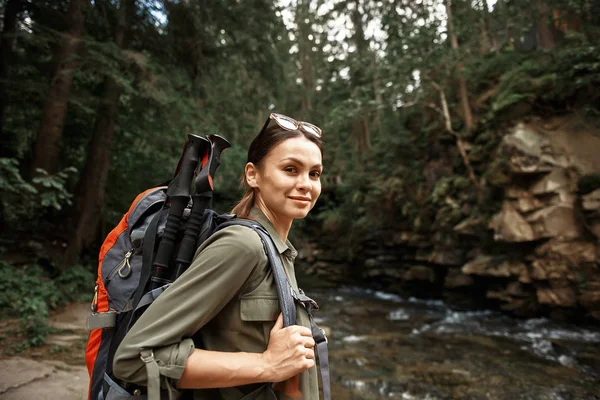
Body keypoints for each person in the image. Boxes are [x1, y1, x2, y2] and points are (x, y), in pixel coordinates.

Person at [113, 112, 325, 400]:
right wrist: (266, 365)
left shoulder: (277, 250)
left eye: (314, 173)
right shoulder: (243, 245)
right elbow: (135, 357)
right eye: (290, 169)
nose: (305, 184)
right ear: (253, 175)